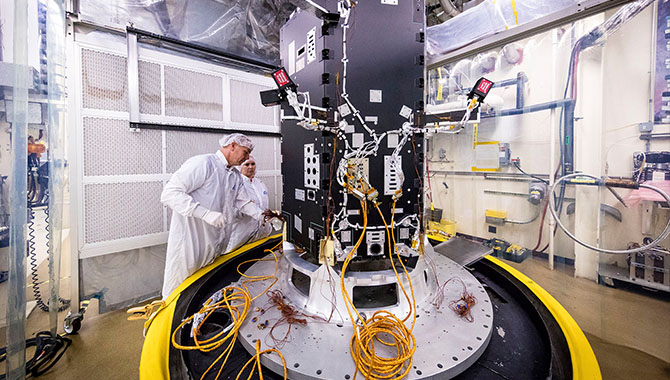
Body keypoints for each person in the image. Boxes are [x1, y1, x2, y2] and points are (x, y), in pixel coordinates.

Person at [160, 133, 271, 298]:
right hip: (190, 246)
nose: (246, 158)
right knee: (177, 295)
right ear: (232, 146)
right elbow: (169, 194)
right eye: (245, 152)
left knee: (205, 294)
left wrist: (263, 217)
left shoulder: (233, 175)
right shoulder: (203, 164)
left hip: (215, 246)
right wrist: (204, 213)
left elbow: (243, 203)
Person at [226, 156, 274, 252]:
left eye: (253, 164)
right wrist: (250, 210)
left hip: (262, 233)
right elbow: (231, 211)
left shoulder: (260, 183)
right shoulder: (236, 185)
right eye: (246, 164)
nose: (250, 167)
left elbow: (264, 205)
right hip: (242, 235)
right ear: (240, 167)